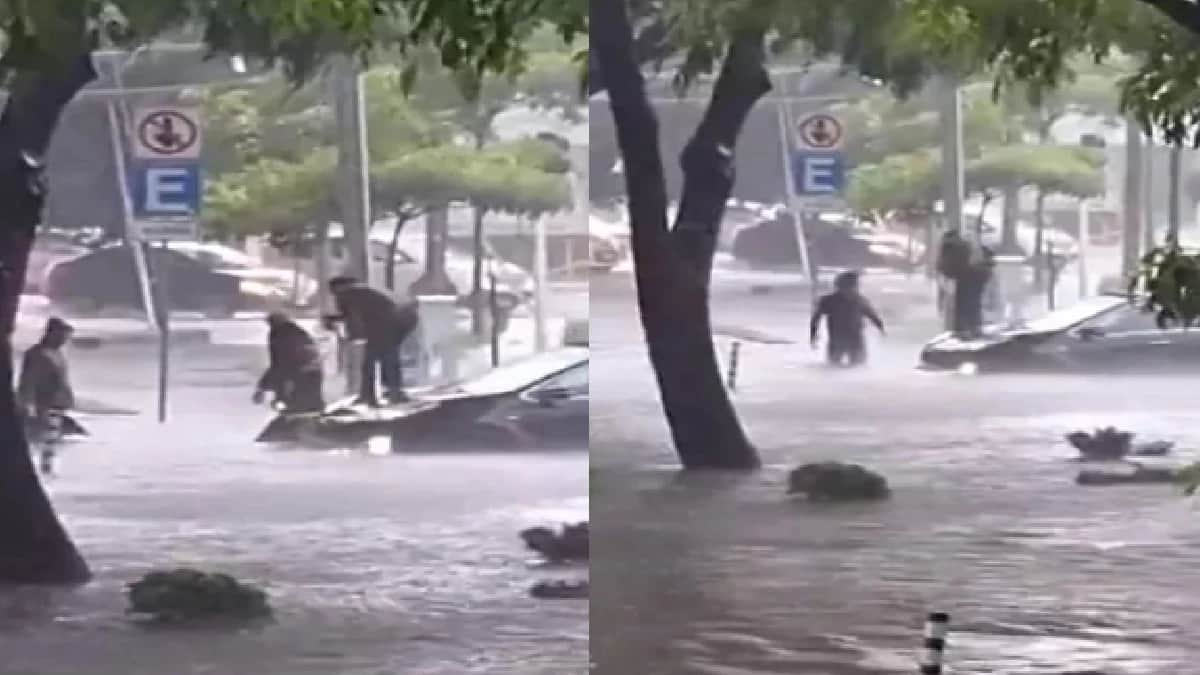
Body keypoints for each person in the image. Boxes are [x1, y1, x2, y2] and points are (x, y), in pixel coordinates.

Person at [322, 276, 420, 407]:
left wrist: (354, 336)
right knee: (384, 357)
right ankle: (386, 393)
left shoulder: (346, 294)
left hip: (388, 322)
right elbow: (356, 312)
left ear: (337, 288)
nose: (333, 295)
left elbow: (354, 316)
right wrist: (335, 319)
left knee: (377, 359)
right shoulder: (364, 290)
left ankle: (377, 395)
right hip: (403, 319)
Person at [18, 317, 76, 461]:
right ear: (52, 333)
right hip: (44, 407)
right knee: (44, 444)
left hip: (58, 406)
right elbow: (28, 382)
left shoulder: (57, 354)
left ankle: (48, 473)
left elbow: (62, 380)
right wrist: (27, 406)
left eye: (66, 337)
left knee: (51, 445)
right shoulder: (37, 354)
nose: (64, 341)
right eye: (63, 336)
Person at [253, 312, 325, 414]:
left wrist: (262, 388)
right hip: (313, 372)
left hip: (298, 375)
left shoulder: (278, 335)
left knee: (290, 407)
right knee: (312, 405)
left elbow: (279, 364)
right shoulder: (299, 333)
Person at [810, 271, 885, 367]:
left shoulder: (860, 301)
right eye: (853, 285)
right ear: (839, 286)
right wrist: (813, 336)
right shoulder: (828, 301)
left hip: (856, 340)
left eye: (855, 286)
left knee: (858, 367)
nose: (854, 289)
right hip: (837, 340)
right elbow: (815, 319)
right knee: (834, 367)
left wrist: (881, 329)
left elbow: (873, 316)